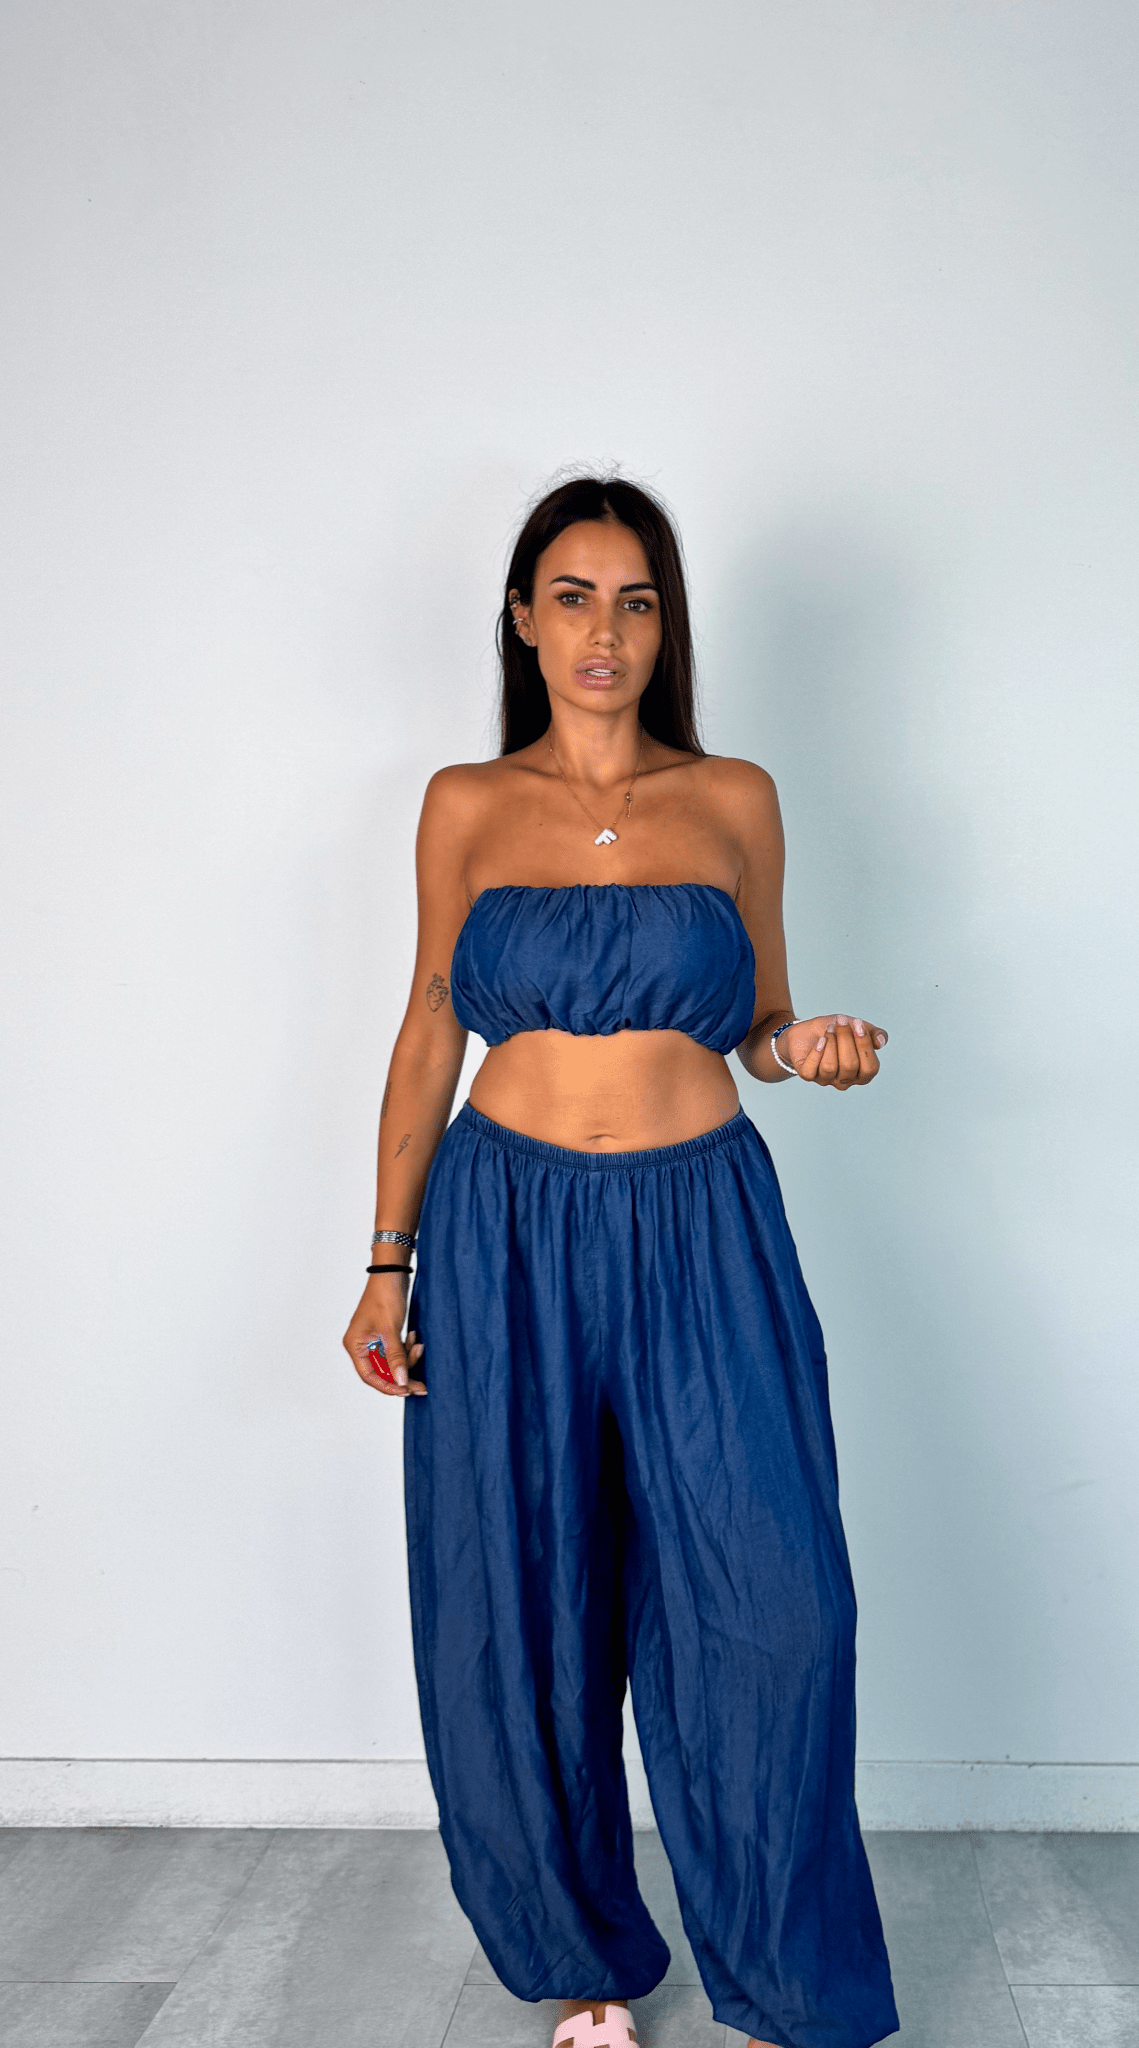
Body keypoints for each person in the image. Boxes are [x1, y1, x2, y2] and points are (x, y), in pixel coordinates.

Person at [343, 477, 899, 2048]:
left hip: (704, 1225)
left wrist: (810, 1043)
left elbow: (760, 1021)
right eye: (574, 596)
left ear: (668, 626)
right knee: (523, 1594)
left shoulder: (735, 798)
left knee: (777, 1601)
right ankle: (581, 1962)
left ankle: (784, 1982)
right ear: (523, 620)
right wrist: (388, 1263)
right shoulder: (466, 804)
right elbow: (430, 1031)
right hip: (504, 1231)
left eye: (637, 599)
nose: (606, 630)